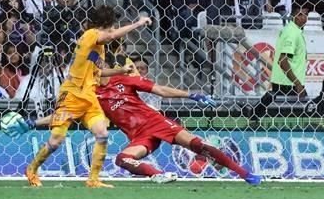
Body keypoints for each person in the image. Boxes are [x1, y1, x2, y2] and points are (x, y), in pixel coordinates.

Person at [24, 5, 151, 188]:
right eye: (112, 27)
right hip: (72, 95)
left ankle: (93, 179)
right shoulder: (91, 34)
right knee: (56, 140)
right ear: (105, 25)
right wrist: (138, 23)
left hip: (89, 98)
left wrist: (120, 70)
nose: (114, 31)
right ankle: (32, 169)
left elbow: (99, 72)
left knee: (102, 134)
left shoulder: (98, 48)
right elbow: (112, 36)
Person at [98, 58, 259, 184]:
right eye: (94, 67)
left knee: (199, 146)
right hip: (139, 136)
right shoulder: (92, 93)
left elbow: (160, 90)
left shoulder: (123, 80)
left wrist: (191, 95)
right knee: (122, 159)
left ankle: (245, 174)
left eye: (100, 65)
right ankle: (160, 176)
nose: (97, 69)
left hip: (156, 122)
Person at [253, 3, 309, 124]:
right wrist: (298, 84)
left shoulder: (293, 30)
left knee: (282, 108)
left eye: (306, 14)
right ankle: (254, 115)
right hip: (289, 82)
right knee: (296, 114)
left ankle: (254, 114)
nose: (303, 17)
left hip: (287, 81)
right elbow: (282, 60)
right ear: (293, 16)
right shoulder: (292, 33)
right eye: (300, 14)